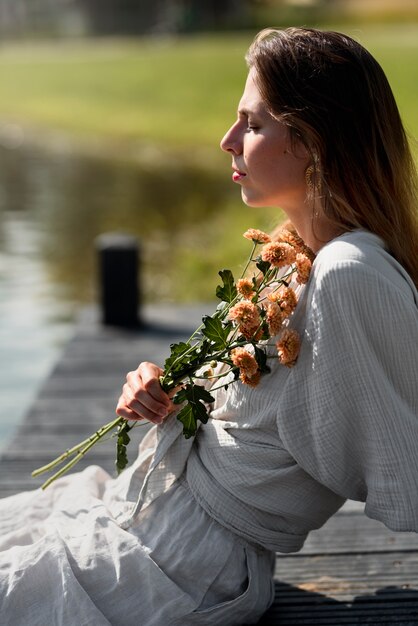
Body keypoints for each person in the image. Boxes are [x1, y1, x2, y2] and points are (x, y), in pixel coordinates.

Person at [1, 27, 418, 626]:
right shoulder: (291, 254)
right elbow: (270, 416)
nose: (227, 141)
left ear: (312, 141)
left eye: (251, 124)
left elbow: (402, 447)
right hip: (137, 511)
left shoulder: (351, 272)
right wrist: (163, 391)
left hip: (181, 563)